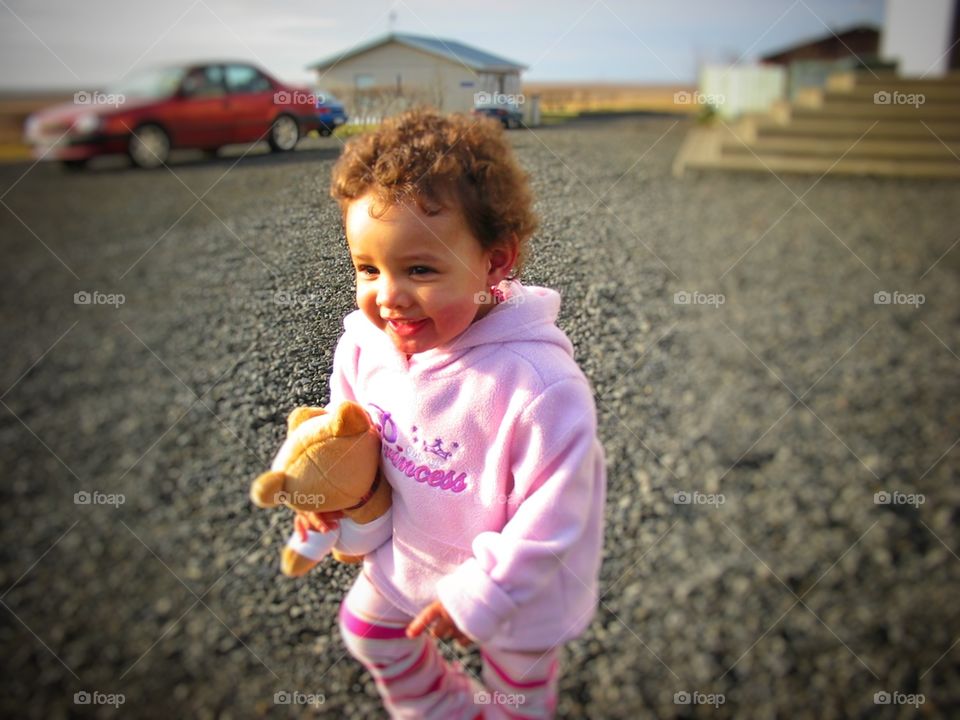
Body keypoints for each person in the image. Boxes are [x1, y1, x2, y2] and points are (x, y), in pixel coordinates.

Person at [298, 108, 606, 719]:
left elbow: (558, 512)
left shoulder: (537, 384)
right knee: (368, 633)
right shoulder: (365, 343)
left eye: (420, 270)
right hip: (410, 555)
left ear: (494, 264)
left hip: (516, 588)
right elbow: (348, 438)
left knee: (517, 695)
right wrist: (330, 501)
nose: (388, 297)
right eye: (368, 268)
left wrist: (482, 596)